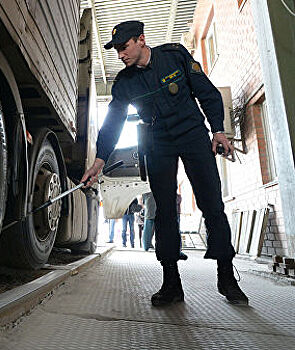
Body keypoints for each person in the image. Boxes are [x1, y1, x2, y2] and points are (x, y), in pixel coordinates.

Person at [81, 21, 247, 306]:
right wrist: (99, 160)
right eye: (117, 50)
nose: (120, 54)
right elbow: (112, 123)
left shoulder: (175, 56)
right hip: (158, 142)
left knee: (212, 206)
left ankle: (226, 277)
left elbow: (206, 92)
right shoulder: (124, 83)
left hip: (193, 134)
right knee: (165, 211)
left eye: (124, 47)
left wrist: (218, 130)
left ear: (141, 39)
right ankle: (171, 282)